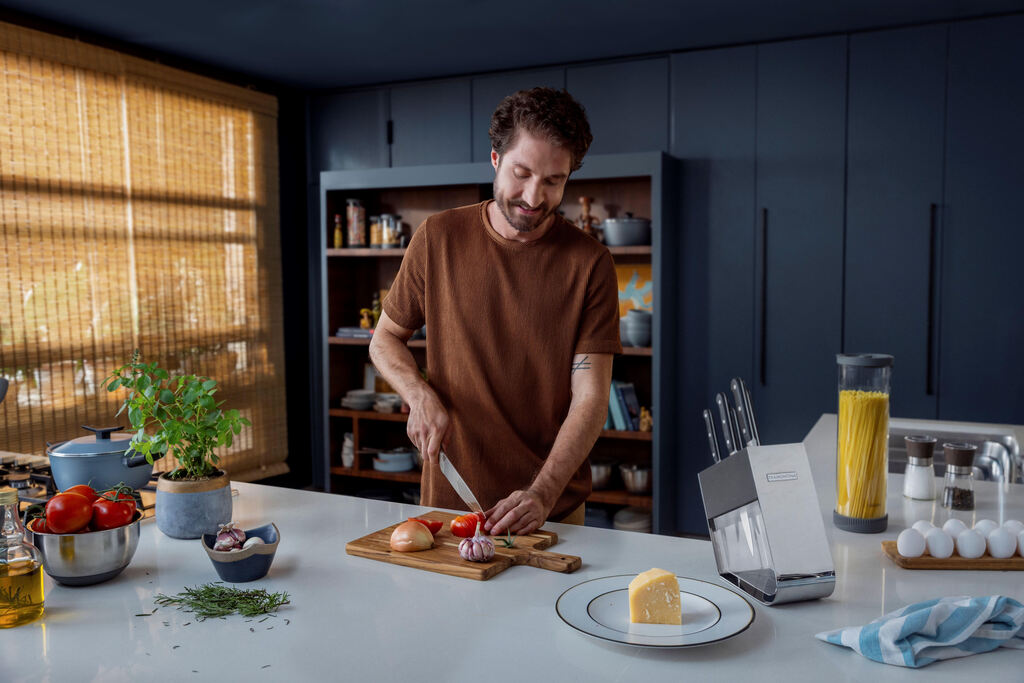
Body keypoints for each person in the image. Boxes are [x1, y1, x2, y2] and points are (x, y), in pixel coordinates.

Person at [368, 87, 621, 535]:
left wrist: (541, 494)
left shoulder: (590, 263)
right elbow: (384, 339)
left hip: (551, 511)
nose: (533, 196)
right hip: (450, 505)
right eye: (521, 173)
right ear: (494, 159)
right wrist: (418, 394)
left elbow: (590, 398)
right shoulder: (437, 238)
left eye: (553, 181)